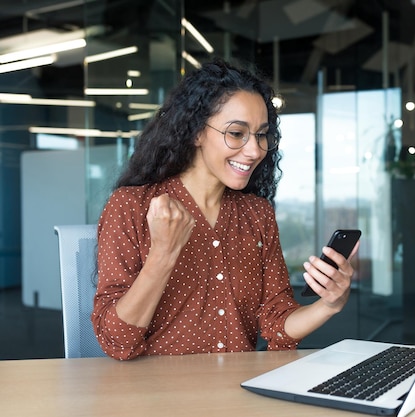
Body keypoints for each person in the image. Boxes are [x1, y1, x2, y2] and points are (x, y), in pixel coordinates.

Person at [91, 58, 359, 360]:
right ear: (195, 132)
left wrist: (329, 305)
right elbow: (116, 342)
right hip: (155, 396)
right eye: (236, 133)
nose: (255, 150)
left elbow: (276, 324)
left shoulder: (257, 214)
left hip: (234, 392)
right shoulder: (131, 206)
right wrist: (162, 255)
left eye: (261, 135)